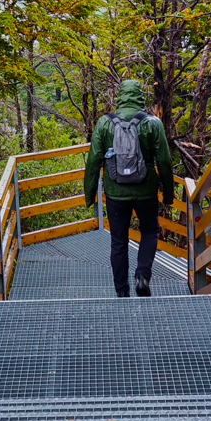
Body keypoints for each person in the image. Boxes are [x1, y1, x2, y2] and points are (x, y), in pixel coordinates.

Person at [84, 79, 174, 297]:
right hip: (146, 192)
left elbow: (94, 160)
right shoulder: (153, 123)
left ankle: (122, 293)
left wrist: (89, 196)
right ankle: (142, 275)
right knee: (149, 232)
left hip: (115, 193)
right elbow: (164, 161)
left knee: (118, 241)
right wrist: (168, 195)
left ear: (120, 96)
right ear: (140, 96)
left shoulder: (105, 123)